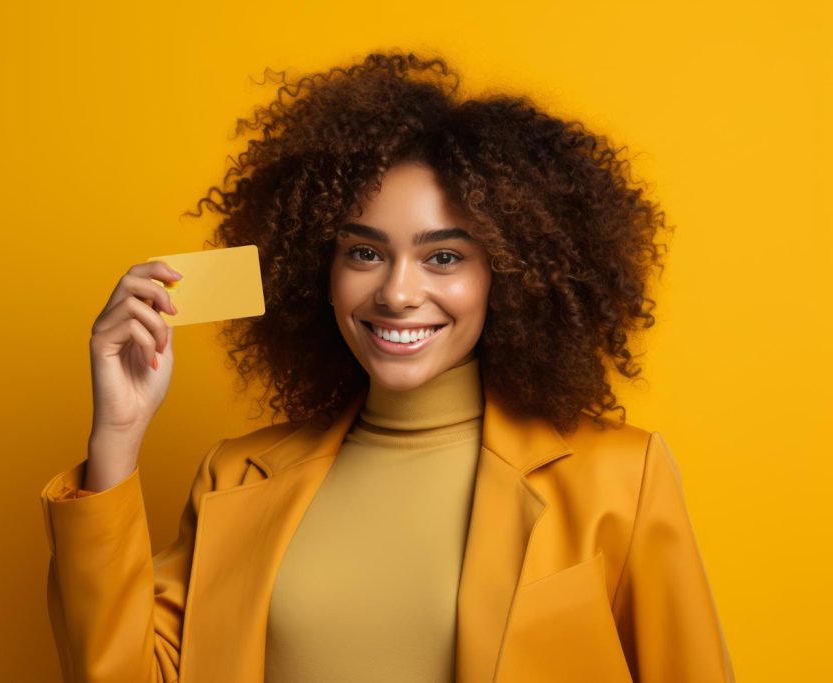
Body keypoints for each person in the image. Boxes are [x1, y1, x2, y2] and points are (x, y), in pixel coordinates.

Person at [39, 51, 735, 683]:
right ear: (321, 268)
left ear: (510, 274)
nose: (398, 292)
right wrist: (117, 441)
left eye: (443, 256)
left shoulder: (619, 477)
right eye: (365, 252)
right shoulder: (236, 476)